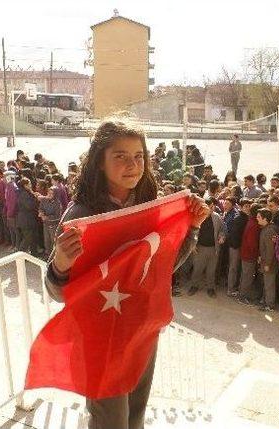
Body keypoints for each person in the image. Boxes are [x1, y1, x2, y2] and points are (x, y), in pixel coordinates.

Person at [44, 120, 208, 429]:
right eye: (120, 156)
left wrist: (194, 227)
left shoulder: (149, 208)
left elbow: (162, 267)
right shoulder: (81, 215)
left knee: (135, 415)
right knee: (111, 422)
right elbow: (58, 292)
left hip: (139, 328)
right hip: (101, 339)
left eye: (139, 156)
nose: (132, 164)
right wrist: (61, 264)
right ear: (99, 162)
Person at [187, 197, 226, 298]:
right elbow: (191, 231)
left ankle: (211, 288)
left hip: (214, 248)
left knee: (211, 270)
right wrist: (193, 245)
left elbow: (223, 229)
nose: (213, 208)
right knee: (197, 269)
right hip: (200, 248)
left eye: (214, 206)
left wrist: (222, 236)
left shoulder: (217, 217)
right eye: (211, 206)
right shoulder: (198, 216)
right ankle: (194, 286)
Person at [238, 203, 262, 304]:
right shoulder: (254, 225)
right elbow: (252, 243)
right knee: (247, 277)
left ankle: (241, 294)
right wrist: (257, 255)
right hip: (249, 255)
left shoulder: (251, 221)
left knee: (245, 275)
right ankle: (242, 297)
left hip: (246, 254)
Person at [227, 199, 251, 296]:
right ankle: (231, 289)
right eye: (246, 206)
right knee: (233, 268)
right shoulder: (238, 218)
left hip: (240, 247)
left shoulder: (246, 217)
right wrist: (237, 247)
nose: (248, 208)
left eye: (249, 206)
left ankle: (234, 287)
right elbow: (234, 235)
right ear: (240, 207)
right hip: (235, 247)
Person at [257, 208, 278, 312]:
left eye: (259, 217)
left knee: (269, 284)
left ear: (265, 219)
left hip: (269, 263)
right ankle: (266, 301)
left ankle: (270, 305)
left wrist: (267, 263)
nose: (257, 218)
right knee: (266, 283)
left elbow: (270, 250)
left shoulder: (269, 231)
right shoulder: (266, 228)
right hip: (265, 261)